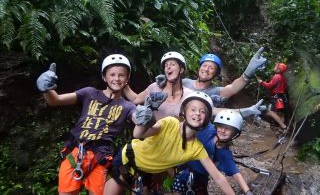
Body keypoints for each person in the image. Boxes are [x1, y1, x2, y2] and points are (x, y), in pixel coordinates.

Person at [36, 54, 136, 195]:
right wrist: (46, 89)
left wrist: (146, 117)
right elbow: (56, 100)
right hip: (75, 151)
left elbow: (138, 118)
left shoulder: (128, 106)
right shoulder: (89, 93)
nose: (116, 79)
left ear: (127, 78)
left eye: (121, 75)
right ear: (104, 77)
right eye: (112, 74)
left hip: (100, 156)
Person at [104, 91, 236, 195]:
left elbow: (218, 177)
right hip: (126, 160)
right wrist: (143, 120)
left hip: (146, 172)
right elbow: (139, 134)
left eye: (203, 111)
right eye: (193, 109)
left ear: (207, 118)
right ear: (184, 112)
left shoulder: (196, 148)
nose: (198, 114)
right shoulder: (170, 123)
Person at [156, 47, 267, 117]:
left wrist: (249, 71)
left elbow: (234, 87)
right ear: (199, 68)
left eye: (211, 68)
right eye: (204, 65)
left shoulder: (216, 91)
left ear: (215, 74)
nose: (206, 69)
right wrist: (166, 80)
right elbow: (168, 89)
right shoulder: (185, 82)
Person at [172, 110, 252, 195]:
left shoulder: (224, 154)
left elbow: (236, 174)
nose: (223, 130)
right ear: (216, 126)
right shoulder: (207, 129)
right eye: (221, 126)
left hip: (200, 181)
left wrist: (248, 192)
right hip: (182, 172)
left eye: (228, 128)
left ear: (234, 134)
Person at [124, 51, 193, 120]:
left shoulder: (188, 95)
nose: (168, 67)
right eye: (166, 65)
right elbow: (136, 99)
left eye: (172, 64)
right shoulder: (155, 88)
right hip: (153, 130)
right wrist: (123, 83)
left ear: (181, 70)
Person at [257, 62, 288, 131]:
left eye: (276, 66)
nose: (274, 67)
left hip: (276, 97)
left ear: (278, 69)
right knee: (280, 113)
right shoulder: (282, 77)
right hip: (281, 96)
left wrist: (261, 82)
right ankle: (282, 128)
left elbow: (269, 86)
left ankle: (283, 127)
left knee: (270, 112)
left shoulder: (277, 76)